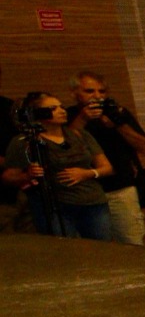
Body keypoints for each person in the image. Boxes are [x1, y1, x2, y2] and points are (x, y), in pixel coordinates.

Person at [4, 93, 115, 240]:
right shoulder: (23, 141)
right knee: (65, 250)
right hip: (55, 206)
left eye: (62, 107)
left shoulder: (79, 134)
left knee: (103, 248)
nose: (62, 111)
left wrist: (87, 173)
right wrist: (27, 175)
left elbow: (106, 167)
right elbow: (8, 176)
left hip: (92, 202)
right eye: (53, 108)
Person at [71, 73, 145, 244]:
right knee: (95, 246)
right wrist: (83, 119)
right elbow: (66, 146)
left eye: (102, 91)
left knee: (132, 243)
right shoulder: (69, 115)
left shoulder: (116, 113)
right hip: (86, 193)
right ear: (75, 93)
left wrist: (118, 125)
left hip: (121, 188)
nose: (97, 96)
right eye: (89, 91)